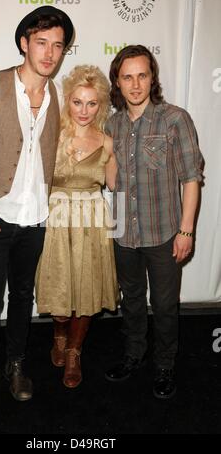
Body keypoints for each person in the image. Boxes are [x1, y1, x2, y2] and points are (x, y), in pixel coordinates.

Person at [0, 6, 74, 408]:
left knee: (23, 297)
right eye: (41, 43)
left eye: (58, 46)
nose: (49, 53)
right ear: (24, 43)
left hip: (35, 217)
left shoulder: (57, 93)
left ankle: (16, 364)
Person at [104, 45, 203, 399]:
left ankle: (164, 365)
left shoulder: (175, 119)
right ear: (117, 81)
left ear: (152, 77)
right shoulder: (111, 124)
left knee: (164, 305)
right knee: (131, 300)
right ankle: (134, 355)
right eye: (127, 77)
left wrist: (186, 230)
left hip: (164, 232)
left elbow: (191, 178)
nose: (135, 84)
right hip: (123, 233)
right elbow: (110, 180)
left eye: (142, 75)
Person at [35, 65, 120, 388]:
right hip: (55, 219)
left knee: (86, 290)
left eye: (92, 103)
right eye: (77, 102)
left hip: (92, 222)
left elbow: (116, 185)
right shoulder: (50, 133)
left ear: (101, 104)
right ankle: (59, 331)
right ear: (67, 101)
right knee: (58, 292)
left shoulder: (109, 143)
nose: (84, 110)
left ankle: (74, 350)